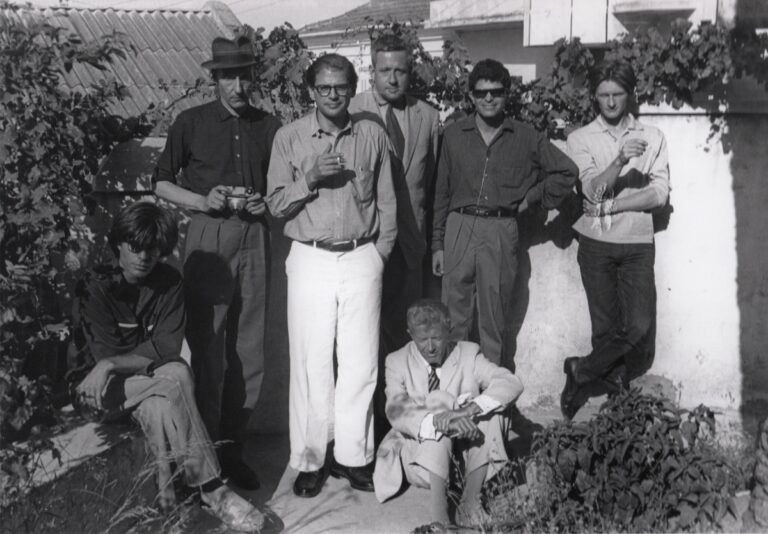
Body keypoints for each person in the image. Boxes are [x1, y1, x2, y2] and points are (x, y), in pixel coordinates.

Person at [72, 202, 264, 532]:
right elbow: (113, 352)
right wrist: (107, 364)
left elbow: (168, 346)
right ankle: (212, 488)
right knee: (175, 375)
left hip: (146, 387)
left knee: (161, 406)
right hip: (98, 392)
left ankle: (169, 513)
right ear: (118, 242)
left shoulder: (170, 282)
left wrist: (112, 363)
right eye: (136, 247)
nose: (145, 257)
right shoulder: (95, 284)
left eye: (154, 249)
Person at [266, 53, 397, 498]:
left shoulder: (371, 134)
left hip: (361, 255)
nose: (334, 95)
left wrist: (378, 255)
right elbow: (275, 205)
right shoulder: (290, 138)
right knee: (311, 362)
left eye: (341, 86)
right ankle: (309, 459)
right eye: (324, 88)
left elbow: (388, 203)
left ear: (353, 86)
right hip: (310, 256)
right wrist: (310, 178)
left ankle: (354, 456)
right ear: (311, 91)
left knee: (360, 362)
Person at [153, 36, 281, 488]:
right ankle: (200, 462)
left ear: (253, 78)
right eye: (229, 76)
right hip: (209, 239)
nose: (238, 85)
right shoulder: (190, 122)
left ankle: (233, 454)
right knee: (208, 353)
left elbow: (283, 186)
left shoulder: (269, 125)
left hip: (257, 237)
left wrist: (265, 201)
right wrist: (203, 200)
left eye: (245, 75)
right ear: (215, 79)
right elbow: (161, 184)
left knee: (249, 355)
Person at [432, 58, 578, 368]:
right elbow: (441, 192)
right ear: (471, 96)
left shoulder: (526, 136)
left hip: (500, 230)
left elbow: (567, 172)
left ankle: (491, 404)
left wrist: (532, 200)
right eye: (481, 93)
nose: (488, 99)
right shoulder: (454, 135)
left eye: (496, 92)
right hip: (458, 227)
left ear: (507, 93)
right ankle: (454, 397)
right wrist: (438, 244)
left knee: (494, 319)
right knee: (454, 317)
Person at [561, 60, 669, 419]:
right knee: (605, 329)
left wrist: (614, 205)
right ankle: (612, 407)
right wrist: (620, 160)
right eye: (604, 95)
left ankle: (580, 371)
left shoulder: (653, 135)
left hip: (638, 241)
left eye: (617, 94)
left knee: (638, 327)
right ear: (594, 96)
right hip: (596, 244)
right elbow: (592, 192)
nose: (610, 103)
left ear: (630, 94)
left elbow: (659, 195)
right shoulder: (579, 138)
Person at [349, 33, 440, 442]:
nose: (392, 78)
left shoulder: (428, 116)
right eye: (384, 70)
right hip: (366, 245)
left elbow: (432, 184)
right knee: (362, 342)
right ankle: (364, 429)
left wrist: (431, 243)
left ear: (410, 71)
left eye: (400, 70)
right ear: (372, 70)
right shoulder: (351, 112)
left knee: (406, 338)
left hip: (411, 247)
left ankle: (403, 428)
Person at [373, 299, 523, 527]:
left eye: (437, 337)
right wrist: (442, 422)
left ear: (449, 331)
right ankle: (440, 516)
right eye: (422, 339)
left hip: (465, 460)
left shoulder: (468, 353)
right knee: (438, 400)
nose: (430, 346)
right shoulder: (396, 361)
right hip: (421, 461)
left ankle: (470, 504)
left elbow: (510, 382)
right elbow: (396, 409)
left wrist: (469, 410)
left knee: (493, 409)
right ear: (410, 334)